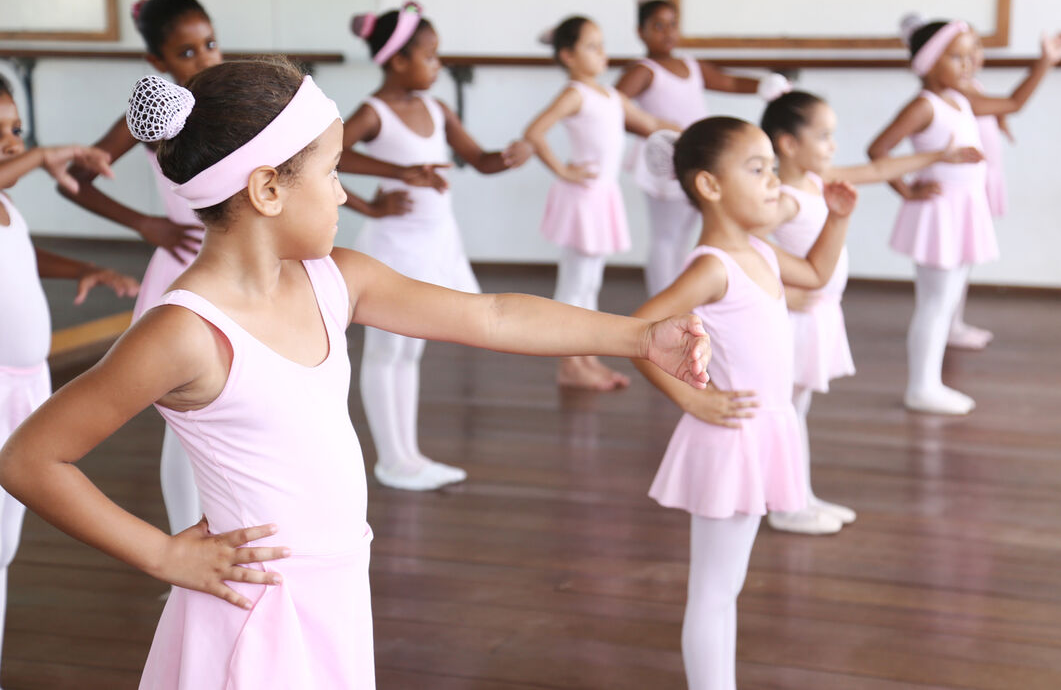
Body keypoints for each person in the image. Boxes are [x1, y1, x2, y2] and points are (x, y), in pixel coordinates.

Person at [0, 58, 711, 689]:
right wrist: (161, 554)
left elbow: (492, 315)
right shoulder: (185, 331)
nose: (344, 194)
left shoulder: (335, 280)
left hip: (336, 583)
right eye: (332, 172)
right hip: (256, 605)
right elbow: (31, 457)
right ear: (267, 191)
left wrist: (641, 336)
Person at [634, 119, 857, 689]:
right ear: (709, 186)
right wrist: (693, 400)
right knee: (712, 591)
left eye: (773, 170)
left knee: (725, 587)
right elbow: (635, 333)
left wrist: (835, 218)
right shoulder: (710, 266)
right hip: (728, 436)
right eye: (757, 169)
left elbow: (815, 274)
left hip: (762, 429)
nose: (773, 182)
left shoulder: (759, 249)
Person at [760, 88, 982, 534]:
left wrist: (940, 155)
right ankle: (784, 504)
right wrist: (781, 289)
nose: (833, 145)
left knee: (796, 409)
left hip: (817, 314)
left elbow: (880, 168)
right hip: (793, 317)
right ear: (788, 143)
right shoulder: (781, 197)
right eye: (824, 136)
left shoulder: (817, 181)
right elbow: (745, 245)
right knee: (784, 411)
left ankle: (799, 494)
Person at [341, 1, 534, 490]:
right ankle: (390, 458)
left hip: (436, 244)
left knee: (411, 351)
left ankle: (408, 455)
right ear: (398, 60)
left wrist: (510, 155)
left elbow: (480, 160)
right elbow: (325, 155)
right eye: (430, 56)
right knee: (387, 349)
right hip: (394, 248)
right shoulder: (374, 112)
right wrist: (383, 191)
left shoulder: (436, 107)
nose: (438, 64)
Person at [0, 77, 138, 675]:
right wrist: (39, 156)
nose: (9, 144)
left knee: (4, 545)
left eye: (15, 131)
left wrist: (85, 266)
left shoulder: (6, 205)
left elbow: (21, 254)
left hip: (27, 386)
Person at [868, 18, 1061, 414]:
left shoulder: (961, 99)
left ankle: (926, 383)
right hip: (939, 213)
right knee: (935, 303)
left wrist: (1045, 61)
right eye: (956, 56)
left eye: (971, 55)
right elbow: (878, 150)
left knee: (943, 301)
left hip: (961, 209)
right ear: (927, 62)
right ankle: (922, 387)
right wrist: (907, 190)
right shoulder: (923, 106)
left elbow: (1013, 103)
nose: (969, 64)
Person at [525, 14, 675, 390]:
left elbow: (648, 120)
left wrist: (693, 132)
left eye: (602, 44)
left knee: (590, 283)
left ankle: (584, 357)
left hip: (601, 195)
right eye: (591, 46)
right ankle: (568, 363)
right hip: (582, 197)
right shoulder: (574, 93)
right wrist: (563, 170)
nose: (601, 53)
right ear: (568, 55)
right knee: (575, 284)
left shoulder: (610, 94)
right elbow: (534, 132)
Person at [617, 0, 791, 296]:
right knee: (666, 235)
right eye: (658, 26)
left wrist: (763, 85)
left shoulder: (691, 65)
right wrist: (654, 127)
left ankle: (685, 297)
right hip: (666, 161)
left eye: (672, 24)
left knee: (687, 232)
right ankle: (662, 299)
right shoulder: (643, 70)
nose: (668, 32)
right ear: (640, 31)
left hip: (698, 157)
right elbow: (612, 106)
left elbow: (729, 82)